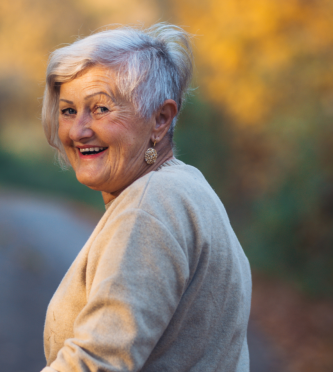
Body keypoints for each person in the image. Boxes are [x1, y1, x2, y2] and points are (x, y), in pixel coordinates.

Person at [39, 24, 252, 372]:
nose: (78, 130)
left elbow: (96, 363)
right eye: (68, 110)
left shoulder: (151, 205)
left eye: (101, 109)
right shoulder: (184, 187)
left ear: (160, 119)